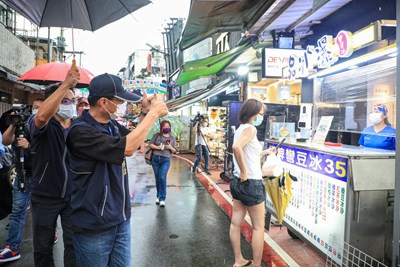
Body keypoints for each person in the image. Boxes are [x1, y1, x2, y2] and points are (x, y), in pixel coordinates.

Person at [66, 73, 168, 267]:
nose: (121, 105)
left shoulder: (111, 125)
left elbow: (135, 140)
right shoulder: (81, 131)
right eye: (119, 101)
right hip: (94, 225)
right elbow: (128, 148)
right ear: (104, 102)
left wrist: (146, 112)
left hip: (120, 219)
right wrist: (154, 113)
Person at [28, 67, 79, 267]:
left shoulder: (78, 126)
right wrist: (66, 84)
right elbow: (41, 118)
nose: (71, 105)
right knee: (42, 247)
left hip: (72, 197)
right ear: (55, 102)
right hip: (45, 197)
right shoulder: (39, 123)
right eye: (66, 101)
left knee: (74, 245)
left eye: (73, 101)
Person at [0, 98, 43, 263]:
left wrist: (29, 146)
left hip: (41, 176)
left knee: (42, 212)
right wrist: (13, 123)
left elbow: (50, 153)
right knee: (17, 211)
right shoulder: (21, 125)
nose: (36, 111)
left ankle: (49, 233)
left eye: (40, 108)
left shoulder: (47, 126)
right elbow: (5, 141)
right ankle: (12, 247)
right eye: (34, 107)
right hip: (22, 174)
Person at [229, 99, 267, 267]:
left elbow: (246, 151)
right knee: (258, 227)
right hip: (250, 182)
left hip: (237, 182)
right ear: (253, 114)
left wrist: (265, 152)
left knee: (236, 223)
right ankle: (257, 265)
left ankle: (239, 260)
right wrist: (245, 171)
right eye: (261, 114)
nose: (262, 117)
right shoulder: (251, 128)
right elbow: (237, 148)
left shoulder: (240, 129)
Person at [148, 120, 178, 207]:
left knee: (162, 177)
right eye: (164, 127)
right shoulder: (156, 136)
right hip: (155, 159)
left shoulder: (172, 138)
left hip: (166, 159)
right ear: (161, 128)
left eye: (168, 126)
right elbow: (150, 144)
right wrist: (157, 147)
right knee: (157, 178)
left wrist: (170, 147)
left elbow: (175, 151)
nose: (166, 128)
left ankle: (162, 198)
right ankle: (158, 195)